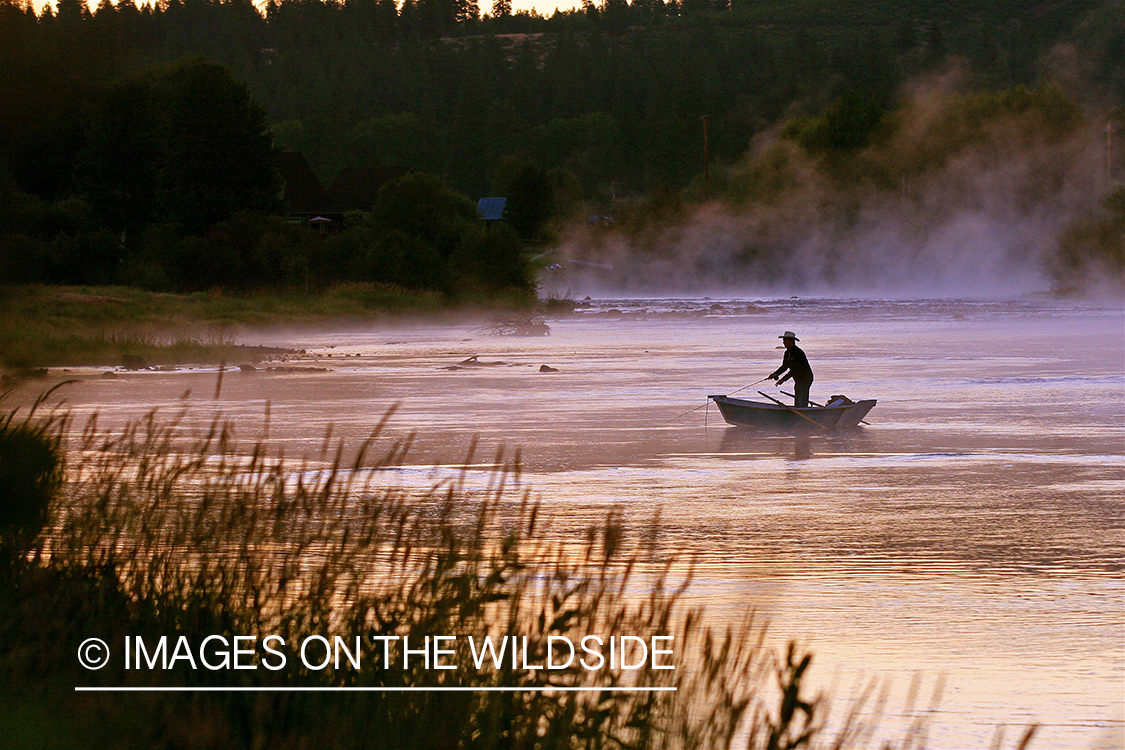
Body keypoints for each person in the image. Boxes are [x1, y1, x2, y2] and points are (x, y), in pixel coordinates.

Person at [768, 331, 814, 407]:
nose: (783, 342)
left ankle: (803, 412)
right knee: (798, 399)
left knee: (802, 399)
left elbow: (795, 370)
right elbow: (784, 366)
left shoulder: (798, 352)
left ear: (790, 341)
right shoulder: (787, 353)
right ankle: (798, 410)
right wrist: (775, 374)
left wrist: (783, 379)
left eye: (785, 341)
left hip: (806, 378)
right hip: (798, 379)